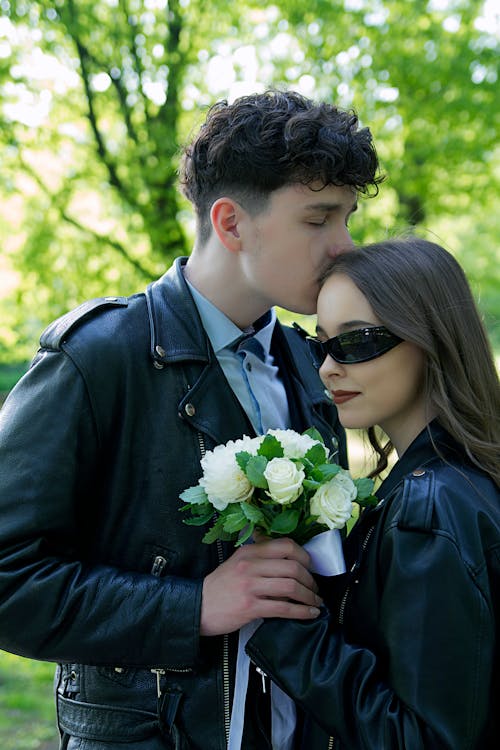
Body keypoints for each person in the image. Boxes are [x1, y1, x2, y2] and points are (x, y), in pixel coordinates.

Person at [0, 90, 381, 749]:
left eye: (347, 217)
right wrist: (192, 607)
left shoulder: (310, 362)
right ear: (232, 224)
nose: (344, 246)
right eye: (319, 219)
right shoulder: (97, 357)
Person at [246, 237, 500, 749]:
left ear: (429, 339)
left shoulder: (430, 509)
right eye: (320, 345)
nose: (327, 368)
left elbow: (419, 739)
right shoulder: (462, 479)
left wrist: (289, 626)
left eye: (356, 341)